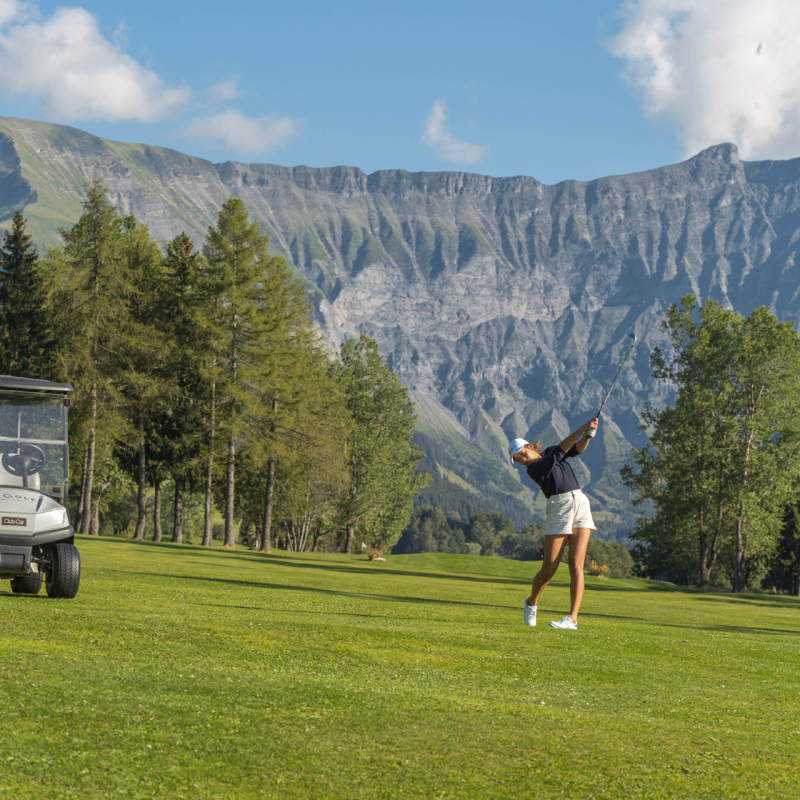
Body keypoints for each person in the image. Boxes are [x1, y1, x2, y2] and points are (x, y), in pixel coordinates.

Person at [508, 417, 598, 630]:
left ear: (530, 446)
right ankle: (532, 603)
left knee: (576, 563)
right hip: (559, 507)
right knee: (549, 568)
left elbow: (575, 450)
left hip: (580, 502)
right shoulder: (535, 469)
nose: (522, 459)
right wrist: (582, 427)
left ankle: (572, 619)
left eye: (522, 453)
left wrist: (587, 436)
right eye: (518, 459)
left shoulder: (548, 452)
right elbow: (561, 450)